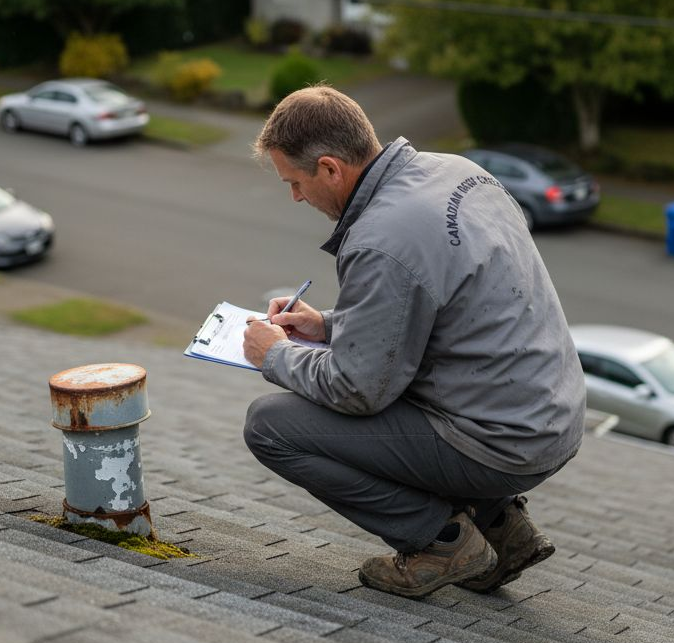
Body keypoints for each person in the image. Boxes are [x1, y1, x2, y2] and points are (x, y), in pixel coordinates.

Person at [242, 86, 585, 598]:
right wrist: (327, 325)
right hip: (550, 413)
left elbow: (357, 389)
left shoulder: (381, 237)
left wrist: (276, 356)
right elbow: (439, 310)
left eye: (295, 182)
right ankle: (504, 530)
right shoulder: (456, 172)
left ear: (331, 169)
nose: (295, 197)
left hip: (502, 442)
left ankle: (442, 543)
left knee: (270, 425)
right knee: (407, 394)